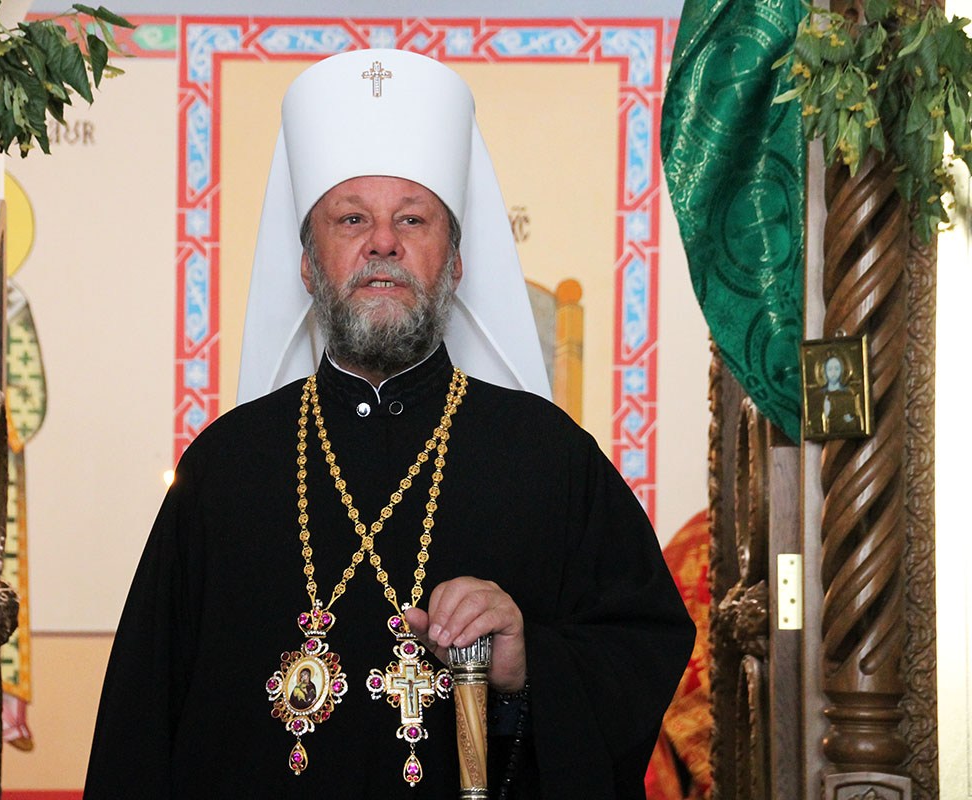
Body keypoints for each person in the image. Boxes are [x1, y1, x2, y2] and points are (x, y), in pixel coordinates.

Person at [84, 49, 693, 799]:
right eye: (351, 219)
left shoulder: (550, 456)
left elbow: (643, 647)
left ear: (456, 262)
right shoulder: (225, 468)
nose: (383, 243)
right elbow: (140, 724)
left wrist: (528, 660)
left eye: (412, 218)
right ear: (307, 265)